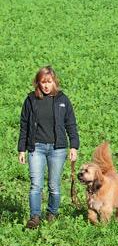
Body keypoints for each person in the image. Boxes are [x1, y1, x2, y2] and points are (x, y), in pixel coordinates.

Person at [18, 66, 79, 229]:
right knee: (36, 184)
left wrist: (74, 146)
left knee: (54, 185)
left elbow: (71, 124)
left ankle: (52, 213)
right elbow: (24, 125)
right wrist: (21, 149)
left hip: (57, 149)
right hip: (35, 148)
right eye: (43, 82)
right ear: (38, 83)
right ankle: (35, 217)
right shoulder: (31, 100)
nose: (46, 86)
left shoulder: (62, 100)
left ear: (54, 82)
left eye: (49, 82)